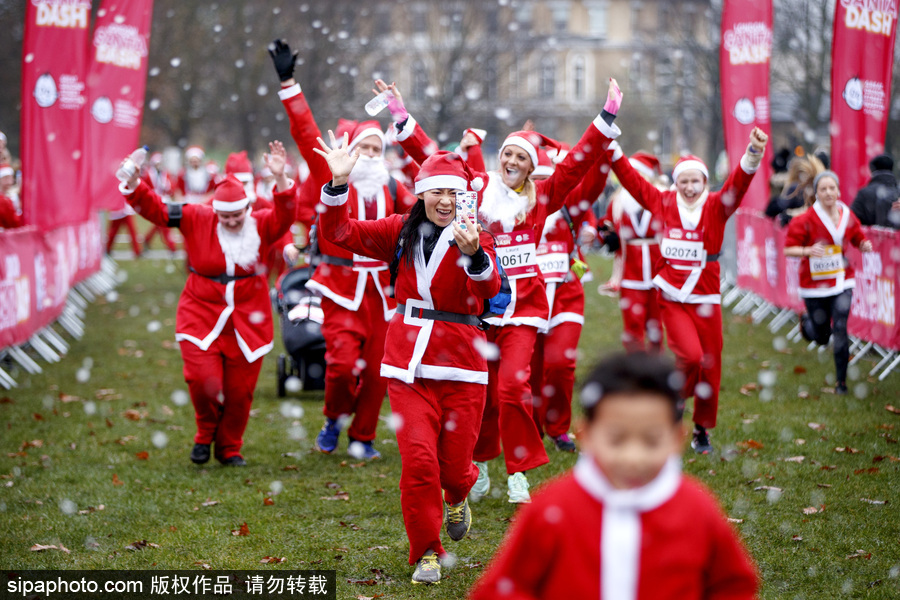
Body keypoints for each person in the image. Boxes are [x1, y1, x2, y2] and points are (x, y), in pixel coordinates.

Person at [380, 76, 623, 502]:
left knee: (512, 388)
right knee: (485, 393)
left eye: (520, 156)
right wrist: (401, 117)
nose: (511, 160)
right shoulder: (476, 189)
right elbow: (432, 158)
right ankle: (481, 463)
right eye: (507, 153)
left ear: (531, 166)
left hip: (523, 306)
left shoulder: (544, 196)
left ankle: (519, 472)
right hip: (477, 305)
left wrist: (605, 118)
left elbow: (579, 162)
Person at [314, 132, 501, 584]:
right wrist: (338, 186)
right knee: (419, 464)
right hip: (408, 363)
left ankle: (459, 492)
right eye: (436, 190)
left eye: (454, 192)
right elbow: (339, 233)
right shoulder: (399, 229)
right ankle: (427, 551)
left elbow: (489, 293)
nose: (445, 200)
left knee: (454, 469)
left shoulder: (480, 237)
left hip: (462, 365)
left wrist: (474, 255)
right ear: (421, 193)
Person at [467, 352, 759, 600]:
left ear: (676, 438)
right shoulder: (553, 508)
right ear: (586, 435)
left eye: (651, 440)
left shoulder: (696, 510)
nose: (633, 457)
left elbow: (734, 586)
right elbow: (504, 589)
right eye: (617, 439)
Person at [269, 39, 417, 460]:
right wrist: (288, 84)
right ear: (350, 152)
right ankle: (334, 418)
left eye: (376, 149)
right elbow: (305, 132)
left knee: (376, 373)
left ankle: (363, 437)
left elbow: (428, 208)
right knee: (341, 366)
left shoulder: (394, 187)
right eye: (363, 148)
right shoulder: (333, 175)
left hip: (384, 295)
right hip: (338, 287)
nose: (369, 155)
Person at [118, 141, 297, 466]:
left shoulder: (261, 223)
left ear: (247, 208)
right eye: (224, 216)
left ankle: (229, 447)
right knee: (205, 383)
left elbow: (286, 215)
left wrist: (281, 177)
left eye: (237, 215)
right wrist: (134, 183)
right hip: (201, 313)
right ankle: (204, 432)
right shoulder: (196, 216)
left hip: (248, 318)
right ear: (215, 211)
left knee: (240, 393)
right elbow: (156, 209)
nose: (231, 221)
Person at [608, 127, 768, 454]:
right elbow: (634, 183)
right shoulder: (663, 201)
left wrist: (752, 153)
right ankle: (677, 396)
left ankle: (701, 429)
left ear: (705, 183)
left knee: (711, 363)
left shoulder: (716, 206)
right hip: (672, 294)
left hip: (706, 294)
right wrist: (611, 148)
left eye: (696, 181)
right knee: (691, 356)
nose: (690, 188)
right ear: (675, 182)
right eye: (684, 181)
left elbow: (739, 184)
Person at [527, 144, 607, 452]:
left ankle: (558, 427)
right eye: (535, 180)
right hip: (528, 298)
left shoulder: (567, 203)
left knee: (560, 364)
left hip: (565, 294)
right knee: (530, 371)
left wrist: (605, 150)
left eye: (547, 180)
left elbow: (592, 187)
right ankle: (531, 427)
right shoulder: (515, 207)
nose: (541, 189)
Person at [785, 171, 873, 395]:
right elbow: (788, 248)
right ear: (816, 194)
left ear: (838, 191)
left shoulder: (847, 215)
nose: (828, 193)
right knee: (823, 336)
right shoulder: (804, 220)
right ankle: (808, 325)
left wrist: (863, 244)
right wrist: (807, 250)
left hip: (843, 280)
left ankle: (841, 383)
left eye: (831, 188)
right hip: (814, 285)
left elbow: (857, 236)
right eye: (823, 189)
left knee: (841, 328)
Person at [599, 151, 665, 354]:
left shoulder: (662, 195)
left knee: (656, 324)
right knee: (632, 324)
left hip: (658, 269)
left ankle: (656, 366)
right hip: (629, 269)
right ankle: (635, 365)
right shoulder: (618, 200)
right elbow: (605, 225)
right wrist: (607, 236)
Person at [141, 152, 179, 253]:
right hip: (155, 200)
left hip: (165, 200)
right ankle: (171, 246)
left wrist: (168, 188)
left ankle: (147, 239)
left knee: (160, 223)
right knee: (164, 223)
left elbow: (171, 186)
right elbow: (146, 187)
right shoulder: (149, 174)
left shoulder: (165, 173)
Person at [851, 153, 900, 228]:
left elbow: (852, 220)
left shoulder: (864, 193)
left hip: (870, 239)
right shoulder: (897, 192)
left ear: (872, 171)